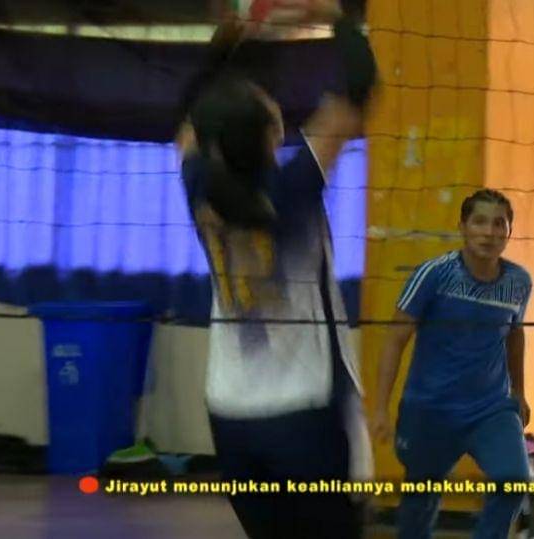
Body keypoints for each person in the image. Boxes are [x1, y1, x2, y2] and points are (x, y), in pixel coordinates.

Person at [176, 11, 375, 539]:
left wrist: (223, 48)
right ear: (273, 132)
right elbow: (359, 87)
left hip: (230, 411)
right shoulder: (295, 190)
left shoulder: (197, 187)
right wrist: (335, 16)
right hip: (306, 410)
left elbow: (188, 118)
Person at [372, 189, 534, 539]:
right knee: (419, 508)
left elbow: (515, 335)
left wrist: (519, 392)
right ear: (462, 227)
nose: (489, 232)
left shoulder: (519, 281)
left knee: (513, 481)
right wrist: (381, 409)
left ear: (509, 231)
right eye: (479, 222)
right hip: (431, 409)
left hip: (490, 408)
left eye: (499, 224)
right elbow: (395, 339)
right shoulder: (434, 274)